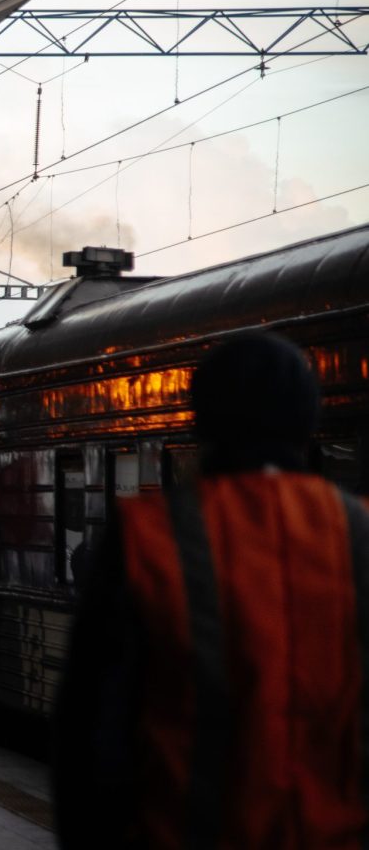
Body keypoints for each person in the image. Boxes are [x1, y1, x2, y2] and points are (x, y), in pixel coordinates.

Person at [55, 331, 369, 848]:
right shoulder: (357, 537)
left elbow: (91, 731)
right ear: (309, 423)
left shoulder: (147, 538)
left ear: (202, 421)